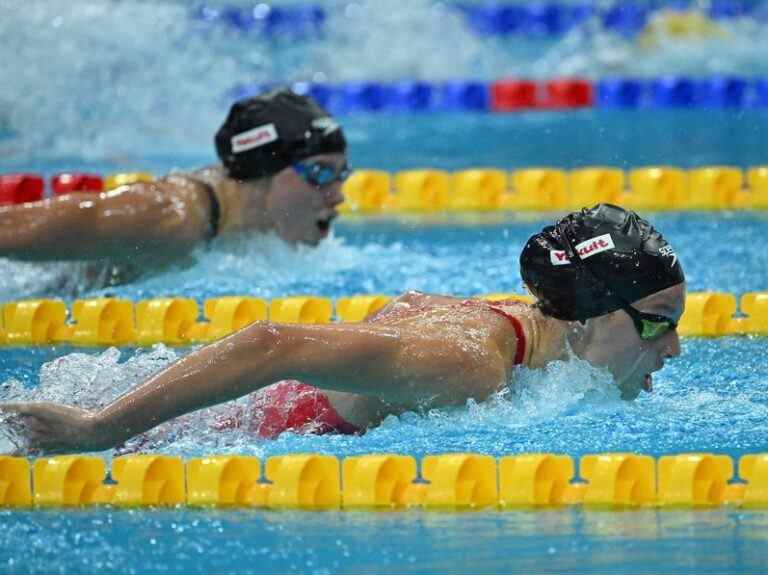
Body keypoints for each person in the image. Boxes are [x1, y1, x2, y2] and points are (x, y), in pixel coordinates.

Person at [0, 204, 686, 454]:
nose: (673, 346)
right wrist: (98, 428)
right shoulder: (469, 363)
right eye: (658, 324)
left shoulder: (531, 328)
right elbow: (272, 342)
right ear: (593, 313)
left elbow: (411, 300)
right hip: (189, 433)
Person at [0, 88, 349, 284]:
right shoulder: (169, 216)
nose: (338, 195)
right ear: (262, 170)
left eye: (341, 174)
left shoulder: (235, 225)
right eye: (320, 174)